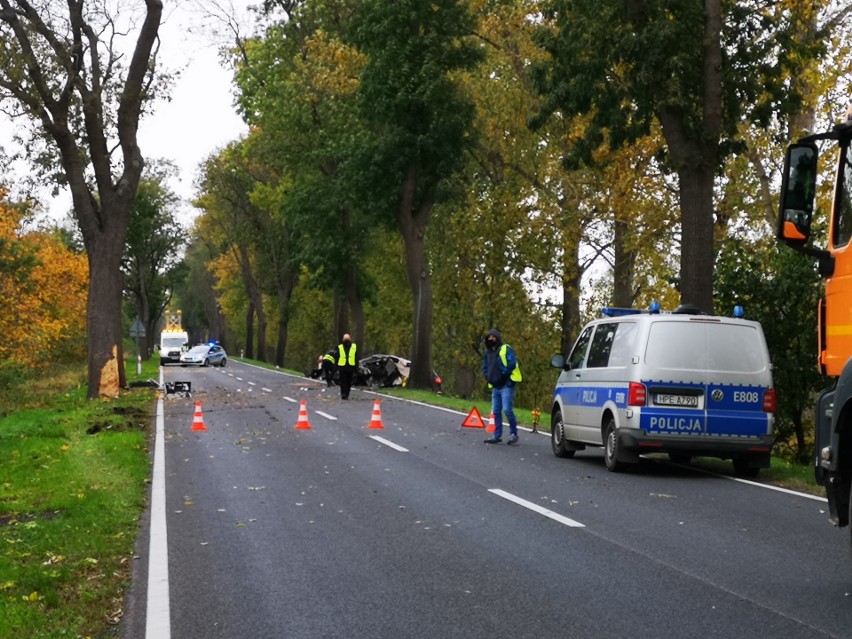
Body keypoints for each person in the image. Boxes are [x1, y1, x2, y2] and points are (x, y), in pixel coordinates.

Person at [482, 328, 522, 444]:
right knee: (496, 411)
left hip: (506, 385)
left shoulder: (505, 349)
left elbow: (512, 363)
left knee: (507, 410)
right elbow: (485, 366)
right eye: (489, 337)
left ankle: (513, 434)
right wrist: (487, 376)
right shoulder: (488, 352)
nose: (491, 339)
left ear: (498, 338)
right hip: (495, 385)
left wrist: (505, 374)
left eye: (493, 337)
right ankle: (496, 435)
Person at [337, 334, 357, 399]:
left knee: (346, 381)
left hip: (346, 366)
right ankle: (345, 394)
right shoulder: (340, 347)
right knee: (346, 381)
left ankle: (345, 393)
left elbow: (356, 357)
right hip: (346, 366)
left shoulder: (341, 347)